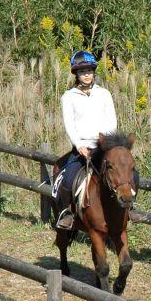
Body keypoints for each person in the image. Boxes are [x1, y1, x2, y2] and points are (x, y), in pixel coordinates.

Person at [55, 50, 118, 230]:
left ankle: (130, 208)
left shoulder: (104, 94)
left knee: (128, 172)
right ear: (76, 74)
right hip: (82, 148)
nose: (87, 74)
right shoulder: (68, 97)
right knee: (68, 177)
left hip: (104, 146)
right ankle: (66, 212)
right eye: (83, 72)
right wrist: (79, 145)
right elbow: (70, 125)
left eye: (89, 71)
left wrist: (107, 143)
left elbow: (112, 121)